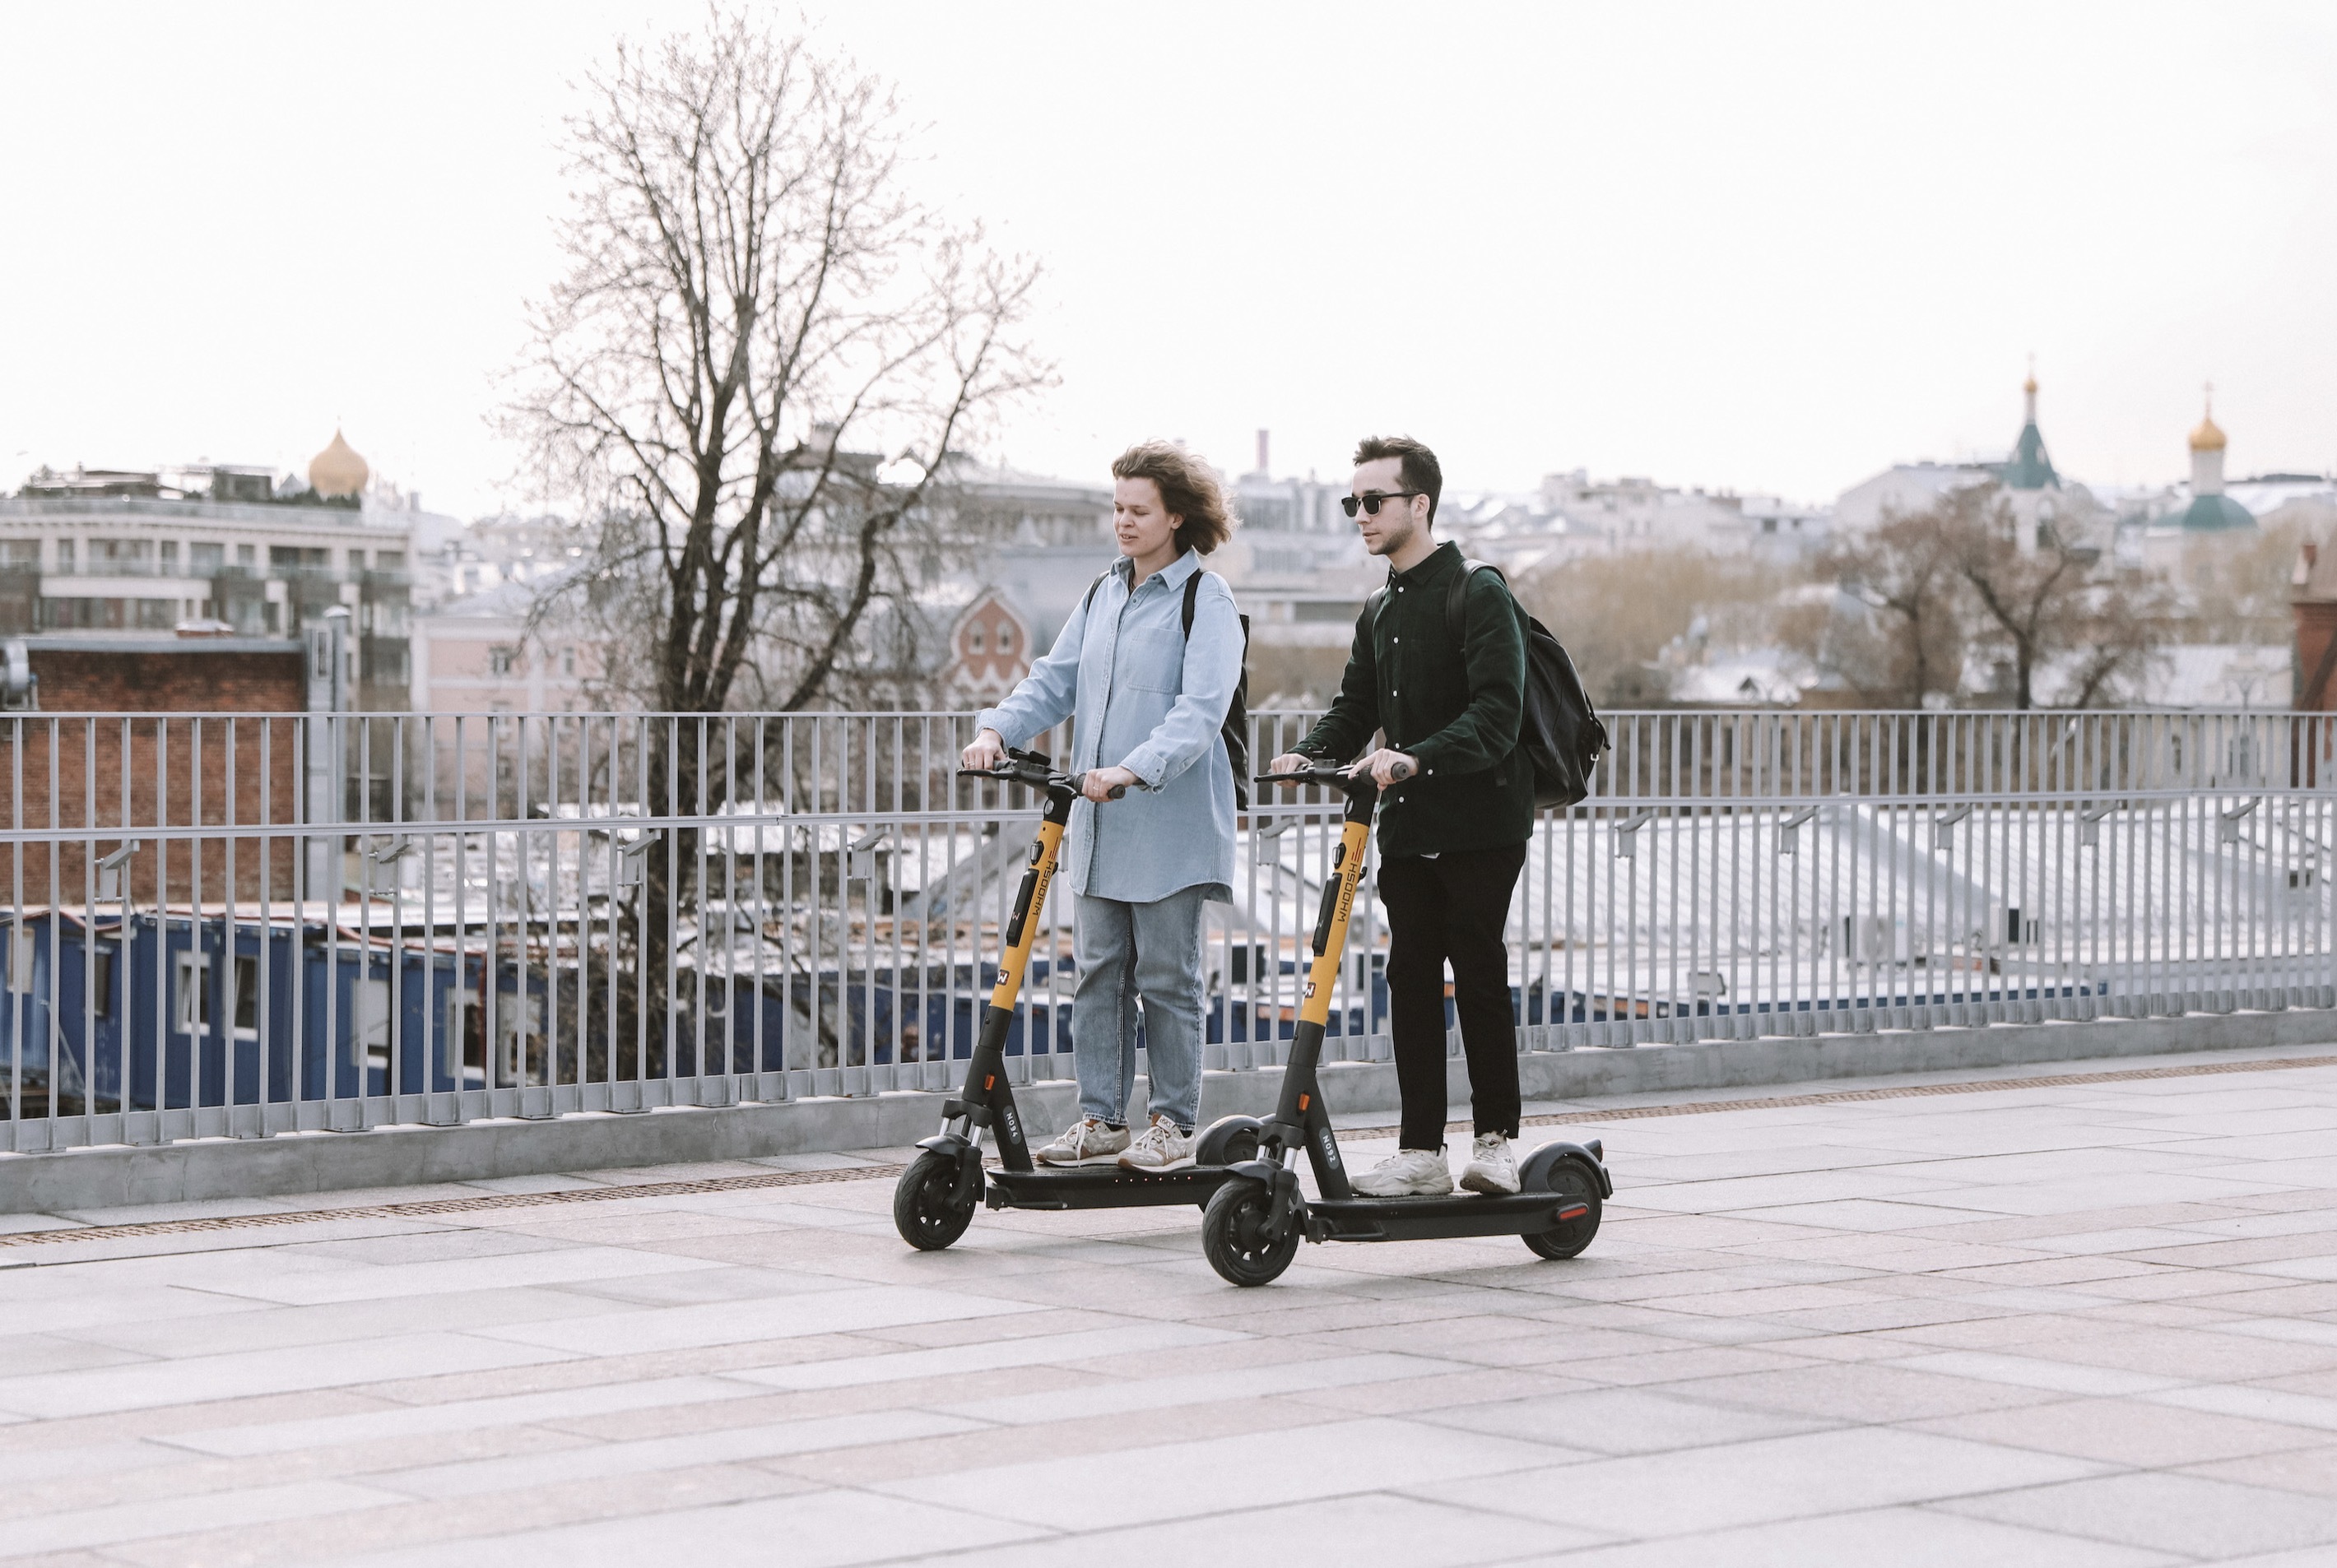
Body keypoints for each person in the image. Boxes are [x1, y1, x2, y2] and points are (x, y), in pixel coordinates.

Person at [964, 442, 1243, 1171]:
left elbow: (1201, 711)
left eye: (1138, 510)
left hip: (1169, 825)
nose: (1123, 521)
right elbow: (1053, 680)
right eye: (1117, 508)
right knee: (1097, 975)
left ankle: (1173, 1125)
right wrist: (996, 730)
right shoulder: (1102, 593)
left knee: (1167, 980)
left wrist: (1131, 769)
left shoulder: (1205, 599)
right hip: (1097, 825)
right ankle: (1102, 1118)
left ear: (1176, 517)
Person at [1269, 434, 1532, 1197]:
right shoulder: (1381, 606)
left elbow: (1498, 715)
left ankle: (1495, 1143)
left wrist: (1413, 757)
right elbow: (1355, 706)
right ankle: (1421, 1152)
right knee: (1410, 977)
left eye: (1373, 501)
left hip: (1482, 823)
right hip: (1411, 828)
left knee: (1477, 973)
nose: (1360, 514)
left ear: (1419, 504)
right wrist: (1310, 751)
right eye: (1351, 502)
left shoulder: (1478, 590)